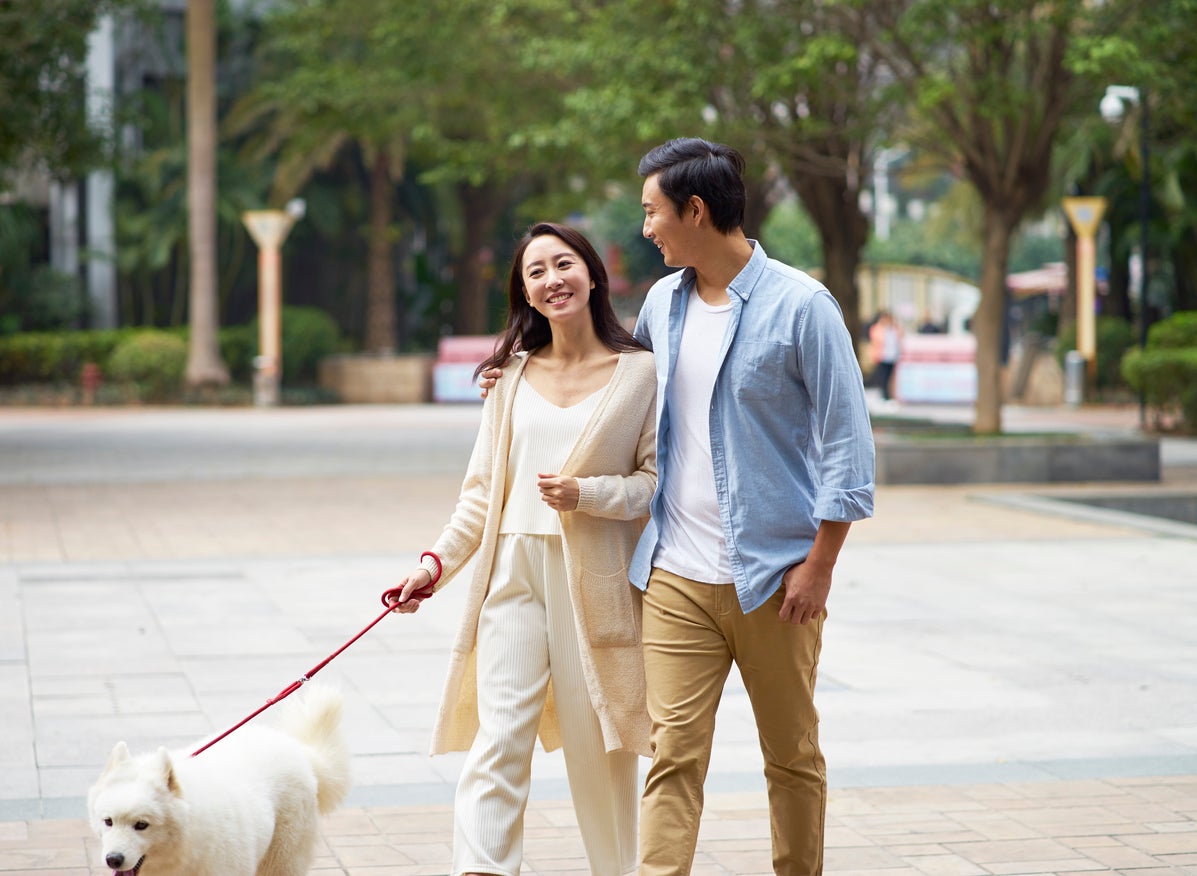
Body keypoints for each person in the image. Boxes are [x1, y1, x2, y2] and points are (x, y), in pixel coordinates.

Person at [631, 137, 874, 876]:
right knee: (670, 754)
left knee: (791, 754)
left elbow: (847, 446)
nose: (646, 228)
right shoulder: (659, 305)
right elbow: (616, 397)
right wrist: (514, 368)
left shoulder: (802, 306)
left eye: (652, 212)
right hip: (675, 574)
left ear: (695, 211)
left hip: (776, 579)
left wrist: (820, 566)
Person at [389, 221, 657, 876]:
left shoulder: (639, 374)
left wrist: (586, 493)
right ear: (525, 294)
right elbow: (481, 494)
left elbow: (654, 485)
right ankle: (481, 869)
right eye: (535, 272)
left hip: (594, 581)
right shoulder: (507, 378)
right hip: (511, 572)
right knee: (497, 737)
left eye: (562, 264)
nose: (550, 280)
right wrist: (433, 566)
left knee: (601, 750)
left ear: (592, 275)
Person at [868, 310, 902, 402]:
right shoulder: (878, 329)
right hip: (882, 356)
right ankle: (883, 395)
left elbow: (900, 337)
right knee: (882, 377)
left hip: (892, 356)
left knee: (889, 378)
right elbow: (876, 340)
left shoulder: (893, 329)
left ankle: (888, 395)